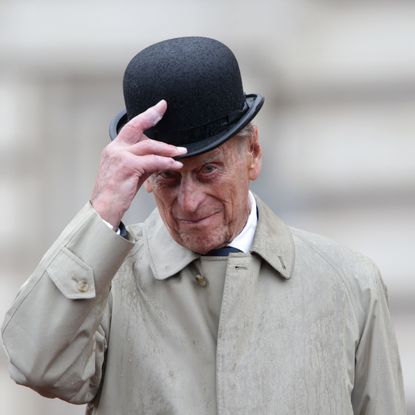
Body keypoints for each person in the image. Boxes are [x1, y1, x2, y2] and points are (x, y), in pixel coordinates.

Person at [1, 37, 406, 415]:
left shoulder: (349, 284)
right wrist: (103, 208)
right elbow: (35, 365)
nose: (189, 202)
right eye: (169, 177)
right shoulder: (108, 283)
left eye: (208, 169)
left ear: (253, 154)